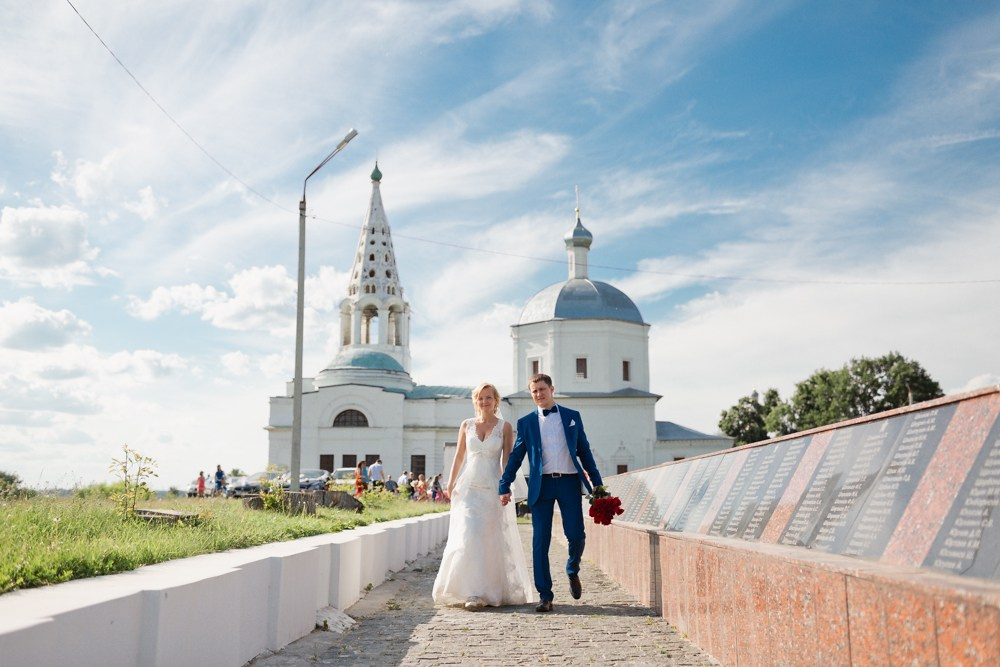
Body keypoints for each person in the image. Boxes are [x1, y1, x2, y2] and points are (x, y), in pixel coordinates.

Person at [499, 373, 603, 613]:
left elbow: (584, 453)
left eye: (542, 389)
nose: (538, 394)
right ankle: (545, 595)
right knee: (539, 542)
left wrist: (597, 485)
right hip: (541, 485)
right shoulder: (526, 423)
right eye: (534, 391)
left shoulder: (571, 417)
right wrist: (504, 484)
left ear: (552, 389)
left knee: (576, 535)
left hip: (568, 483)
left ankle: (572, 569)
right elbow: (516, 456)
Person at [432, 382, 533, 609]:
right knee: (469, 533)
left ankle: (490, 590)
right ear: (475, 401)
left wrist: (506, 487)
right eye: (480, 398)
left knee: (488, 537)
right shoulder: (466, 425)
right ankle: (472, 592)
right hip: (468, 487)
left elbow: (507, 459)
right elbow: (459, 456)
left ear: (496, 400)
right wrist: (450, 482)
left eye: (489, 397)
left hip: (492, 487)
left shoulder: (505, 427)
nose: (484, 402)